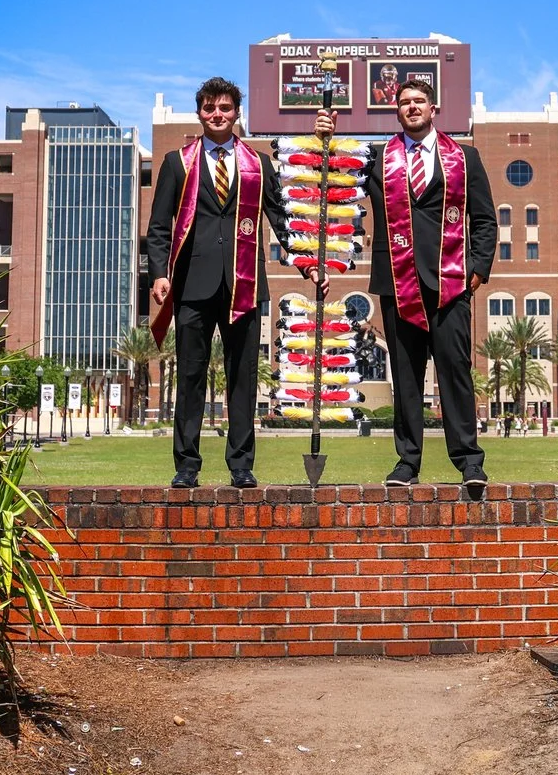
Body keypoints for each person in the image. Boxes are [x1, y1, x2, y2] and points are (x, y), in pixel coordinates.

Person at [318, 77, 495, 493]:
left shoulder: (465, 158)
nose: (412, 107)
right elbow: (334, 175)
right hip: (397, 282)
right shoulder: (381, 159)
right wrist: (327, 137)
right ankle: (406, 462)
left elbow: (484, 220)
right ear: (397, 111)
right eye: (405, 103)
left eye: (419, 101)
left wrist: (478, 269)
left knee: (456, 372)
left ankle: (470, 461)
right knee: (406, 376)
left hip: (451, 284)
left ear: (434, 109)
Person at [144, 75, 292, 488]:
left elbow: (279, 219)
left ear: (236, 113)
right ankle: (186, 466)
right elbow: (159, 225)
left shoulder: (258, 164)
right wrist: (159, 273)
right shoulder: (179, 162)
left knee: (242, 377)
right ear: (200, 113)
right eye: (210, 108)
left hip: (244, 285)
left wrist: (306, 263)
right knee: (189, 377)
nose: (217, 115)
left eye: (225, 108)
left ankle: (241, 465)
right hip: (191, 285)